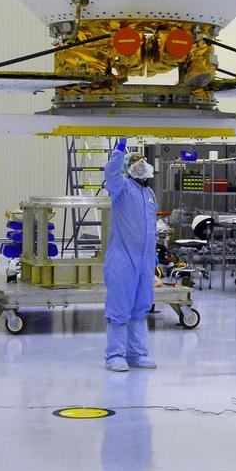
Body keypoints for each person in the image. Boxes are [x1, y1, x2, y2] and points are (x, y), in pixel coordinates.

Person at [103, 138, 158, 372]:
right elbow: (111, 174)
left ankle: (137, 353)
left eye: (142, 160)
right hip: (123, 259)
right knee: (120, 308)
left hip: (144, 260)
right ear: (126, 167)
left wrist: (153, 261)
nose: (140, 164)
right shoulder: (122, 188)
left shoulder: (149, 194)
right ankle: (115, 355)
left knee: (141, 307)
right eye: (134, 161)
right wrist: (118, 152)